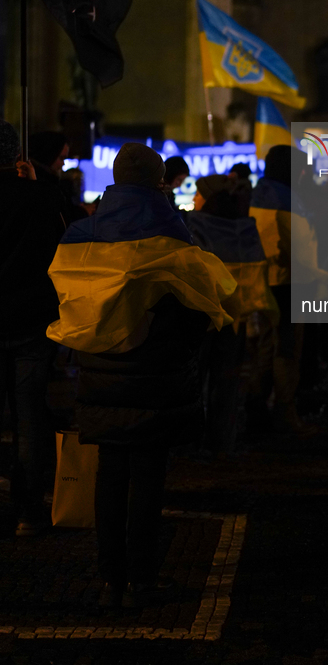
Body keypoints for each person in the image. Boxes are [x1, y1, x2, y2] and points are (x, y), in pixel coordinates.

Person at [46, 143, 236, 608]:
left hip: (100, 375)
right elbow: (200, 310)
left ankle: (111, 577)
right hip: (157, 377)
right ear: (158, 182)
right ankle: (144, 578)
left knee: (110, 474)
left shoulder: (80, 235)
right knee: (148, 479)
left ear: (114, 179)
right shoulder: (176, 236)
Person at [0, 120, 64, 536]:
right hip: (30, 323)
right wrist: (38, 185)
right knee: (29, 418)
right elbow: (59, 243)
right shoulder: (39, 197)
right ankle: (28, 511)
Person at [186, 174, 277, 456]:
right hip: (235, 316)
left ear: (208, 197)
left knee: (193, 380)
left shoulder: (193, 225)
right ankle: (222, 442)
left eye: (198, 195)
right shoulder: (246, 226)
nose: (193, 200)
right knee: (226, 381)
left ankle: (188, 442)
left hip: (201, 317)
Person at [249, 145, 328, 434]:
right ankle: (284, 414)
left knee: (268, 346)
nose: (305, 173)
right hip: (290, 283)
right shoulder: (283, 201)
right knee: (286, 349)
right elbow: (295, 250)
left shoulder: (262, 195)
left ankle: (258, 410)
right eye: (301, 167)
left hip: (270, 282)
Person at [29, 130, 86, 225]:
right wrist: (82, 212)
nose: (63, 164)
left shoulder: (49, 182)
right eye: (61, 158)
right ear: (49, 155)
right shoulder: (45, 185)